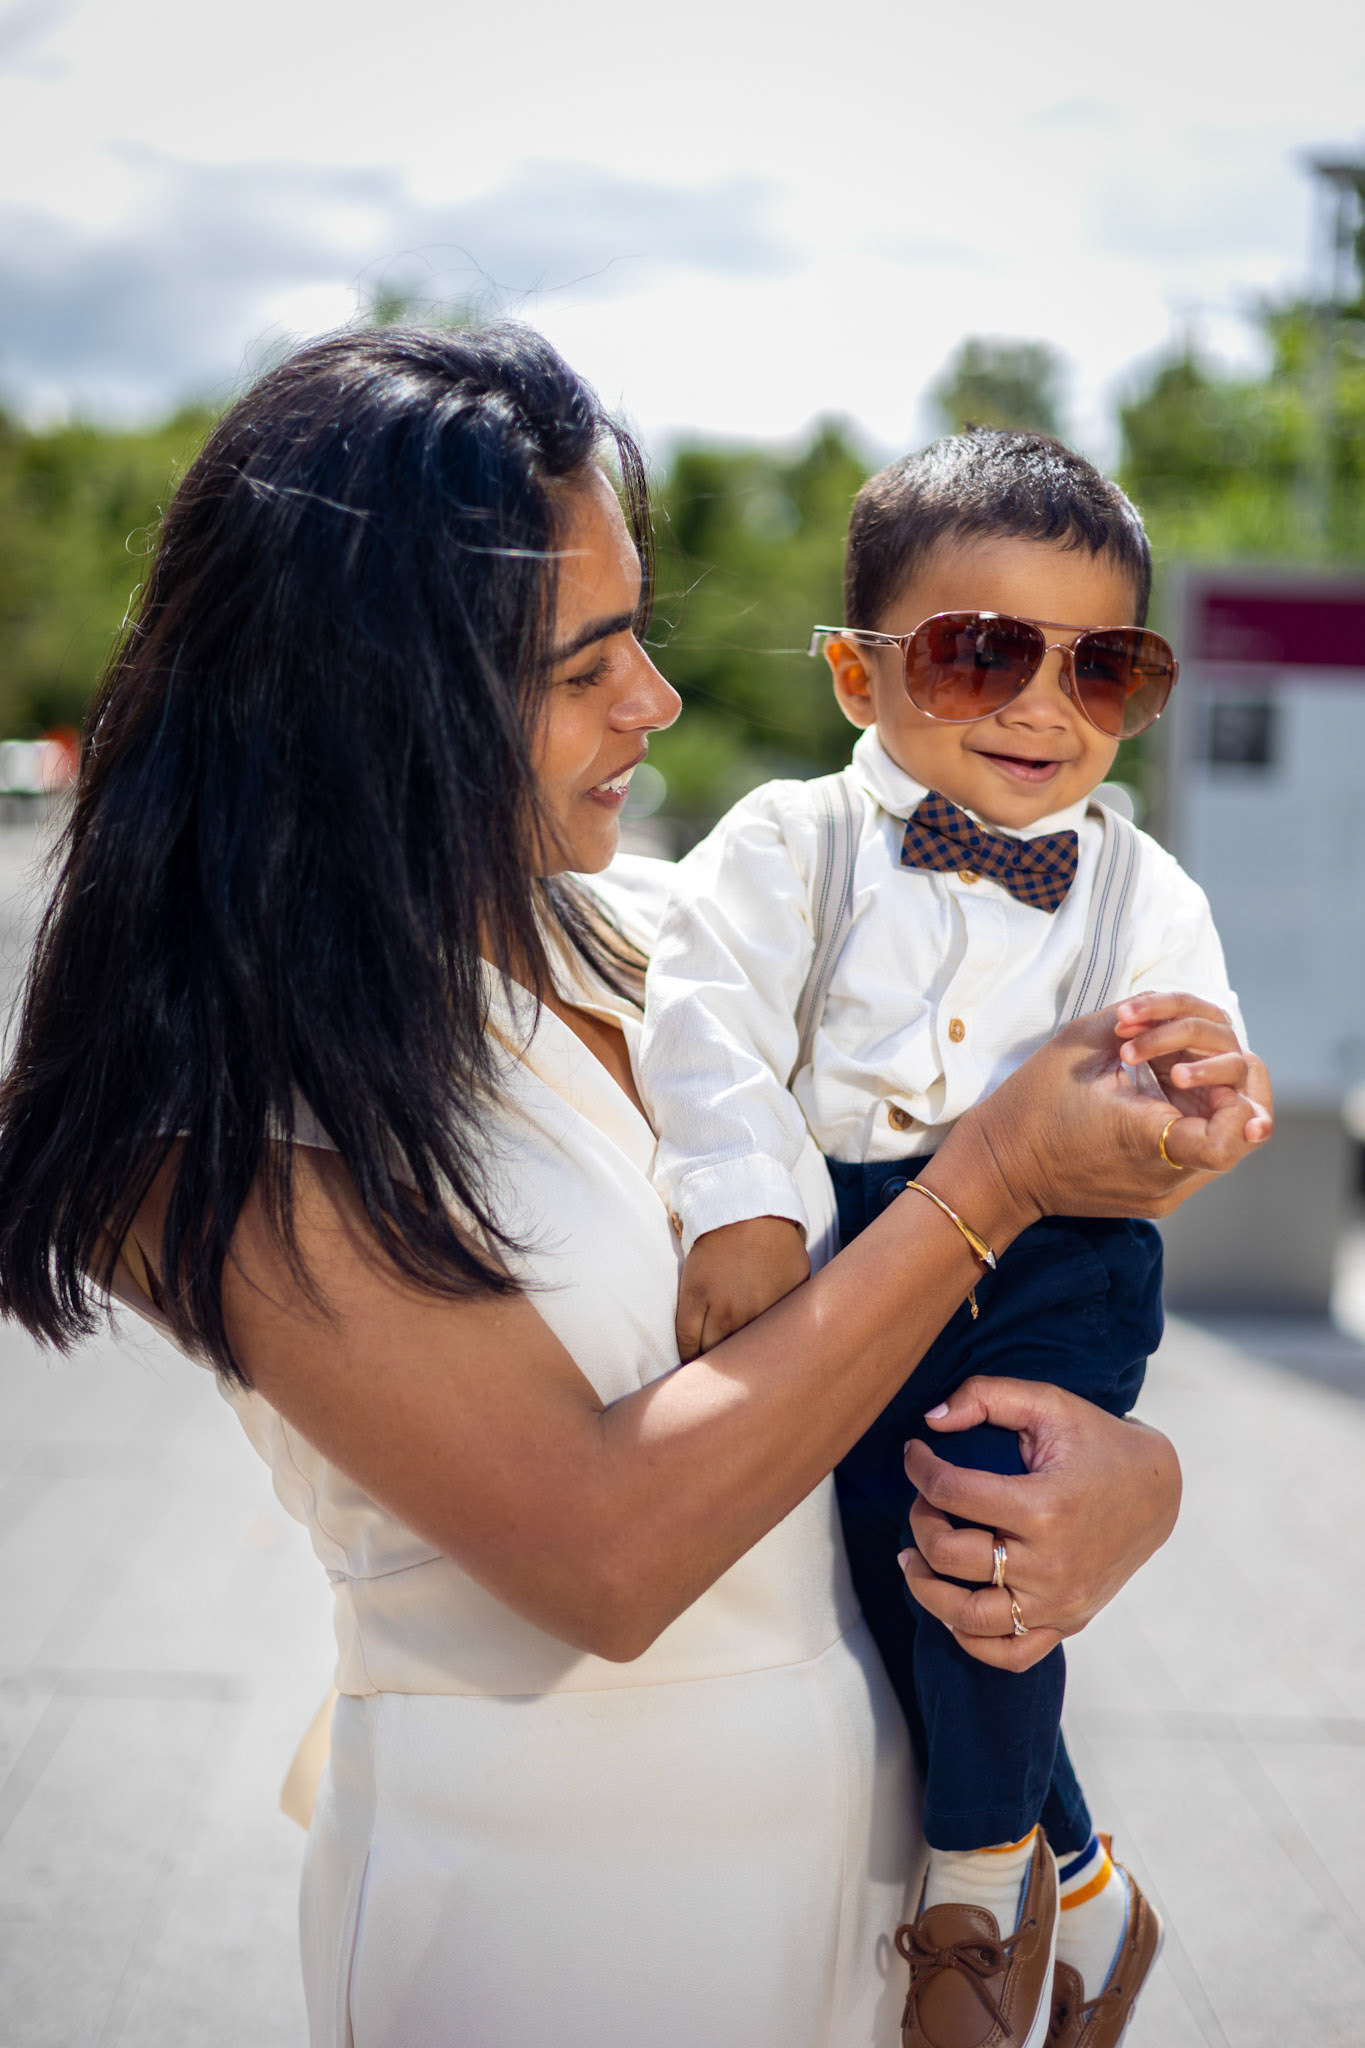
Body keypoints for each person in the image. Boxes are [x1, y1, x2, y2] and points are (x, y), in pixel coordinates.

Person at [0, 329, 1268, 2048]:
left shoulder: (682, 929)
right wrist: (987, 1180)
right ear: (378, 696)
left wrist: (1132, 1487)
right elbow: (608, 1555)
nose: (655, 704)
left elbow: (1024, 1254)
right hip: (559, 1931)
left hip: (881, 1903)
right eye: (586, 665)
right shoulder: (216, 1123)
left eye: (641, 642)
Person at [639, 429, 1266, 2048]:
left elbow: (1191, 1048)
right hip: (848, 1234)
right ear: (859, 675)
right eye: (980, 653)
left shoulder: (1140, 883)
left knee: (983, 1539)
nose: (1045, 706)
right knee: (879, 1561)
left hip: (1059, 1258)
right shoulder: (789, 842)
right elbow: (702, 1023)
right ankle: (1084, 1883)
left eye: (1102, 666)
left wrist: (1202, 1099)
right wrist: (742, 1205)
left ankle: (973, 1910)